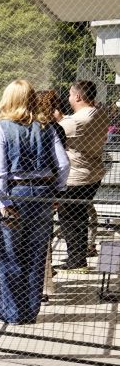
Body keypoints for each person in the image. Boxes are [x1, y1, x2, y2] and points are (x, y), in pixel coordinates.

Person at [0, 79, 69, 325]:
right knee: (35, 255)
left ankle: (10, 312)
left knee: (9, 254)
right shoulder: (48, 127)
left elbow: (0, 172)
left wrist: (4, 203)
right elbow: (64, 164)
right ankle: (28, 312)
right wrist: (57, 191)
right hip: (43, 195)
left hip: (15, 195)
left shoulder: (0, 127)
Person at [56, 80, 109, 271]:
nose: (69, 97)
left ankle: (76, 260)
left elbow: (57, 132)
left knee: (68, 218)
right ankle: (79, 258)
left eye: (70, 94)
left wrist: (58, 118)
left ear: (78, 96)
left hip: (75, 177)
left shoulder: (75, 122)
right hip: (94, 174)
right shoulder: (100, 113)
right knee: (80, 215)